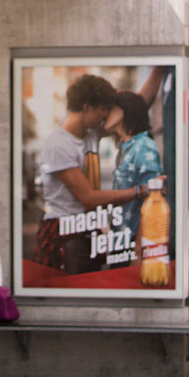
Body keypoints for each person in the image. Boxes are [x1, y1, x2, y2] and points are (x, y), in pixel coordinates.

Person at [34, 74, 146, 274]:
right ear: (87, 107)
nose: (106, 114)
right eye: (103, 108)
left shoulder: (90, 132)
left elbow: (138, 106)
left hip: (83, 229)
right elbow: (88, 198)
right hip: (65, 234)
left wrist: (159, 71)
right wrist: (139, 192)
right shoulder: (59, 144)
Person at [105, 90, 163, 237]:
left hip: (135, 242)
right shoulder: (124, 148)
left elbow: (152, 199)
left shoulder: (143, 146)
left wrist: (139, 247)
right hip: (122, 239)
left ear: (124, 110)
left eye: (110, 108)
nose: (105, 113)